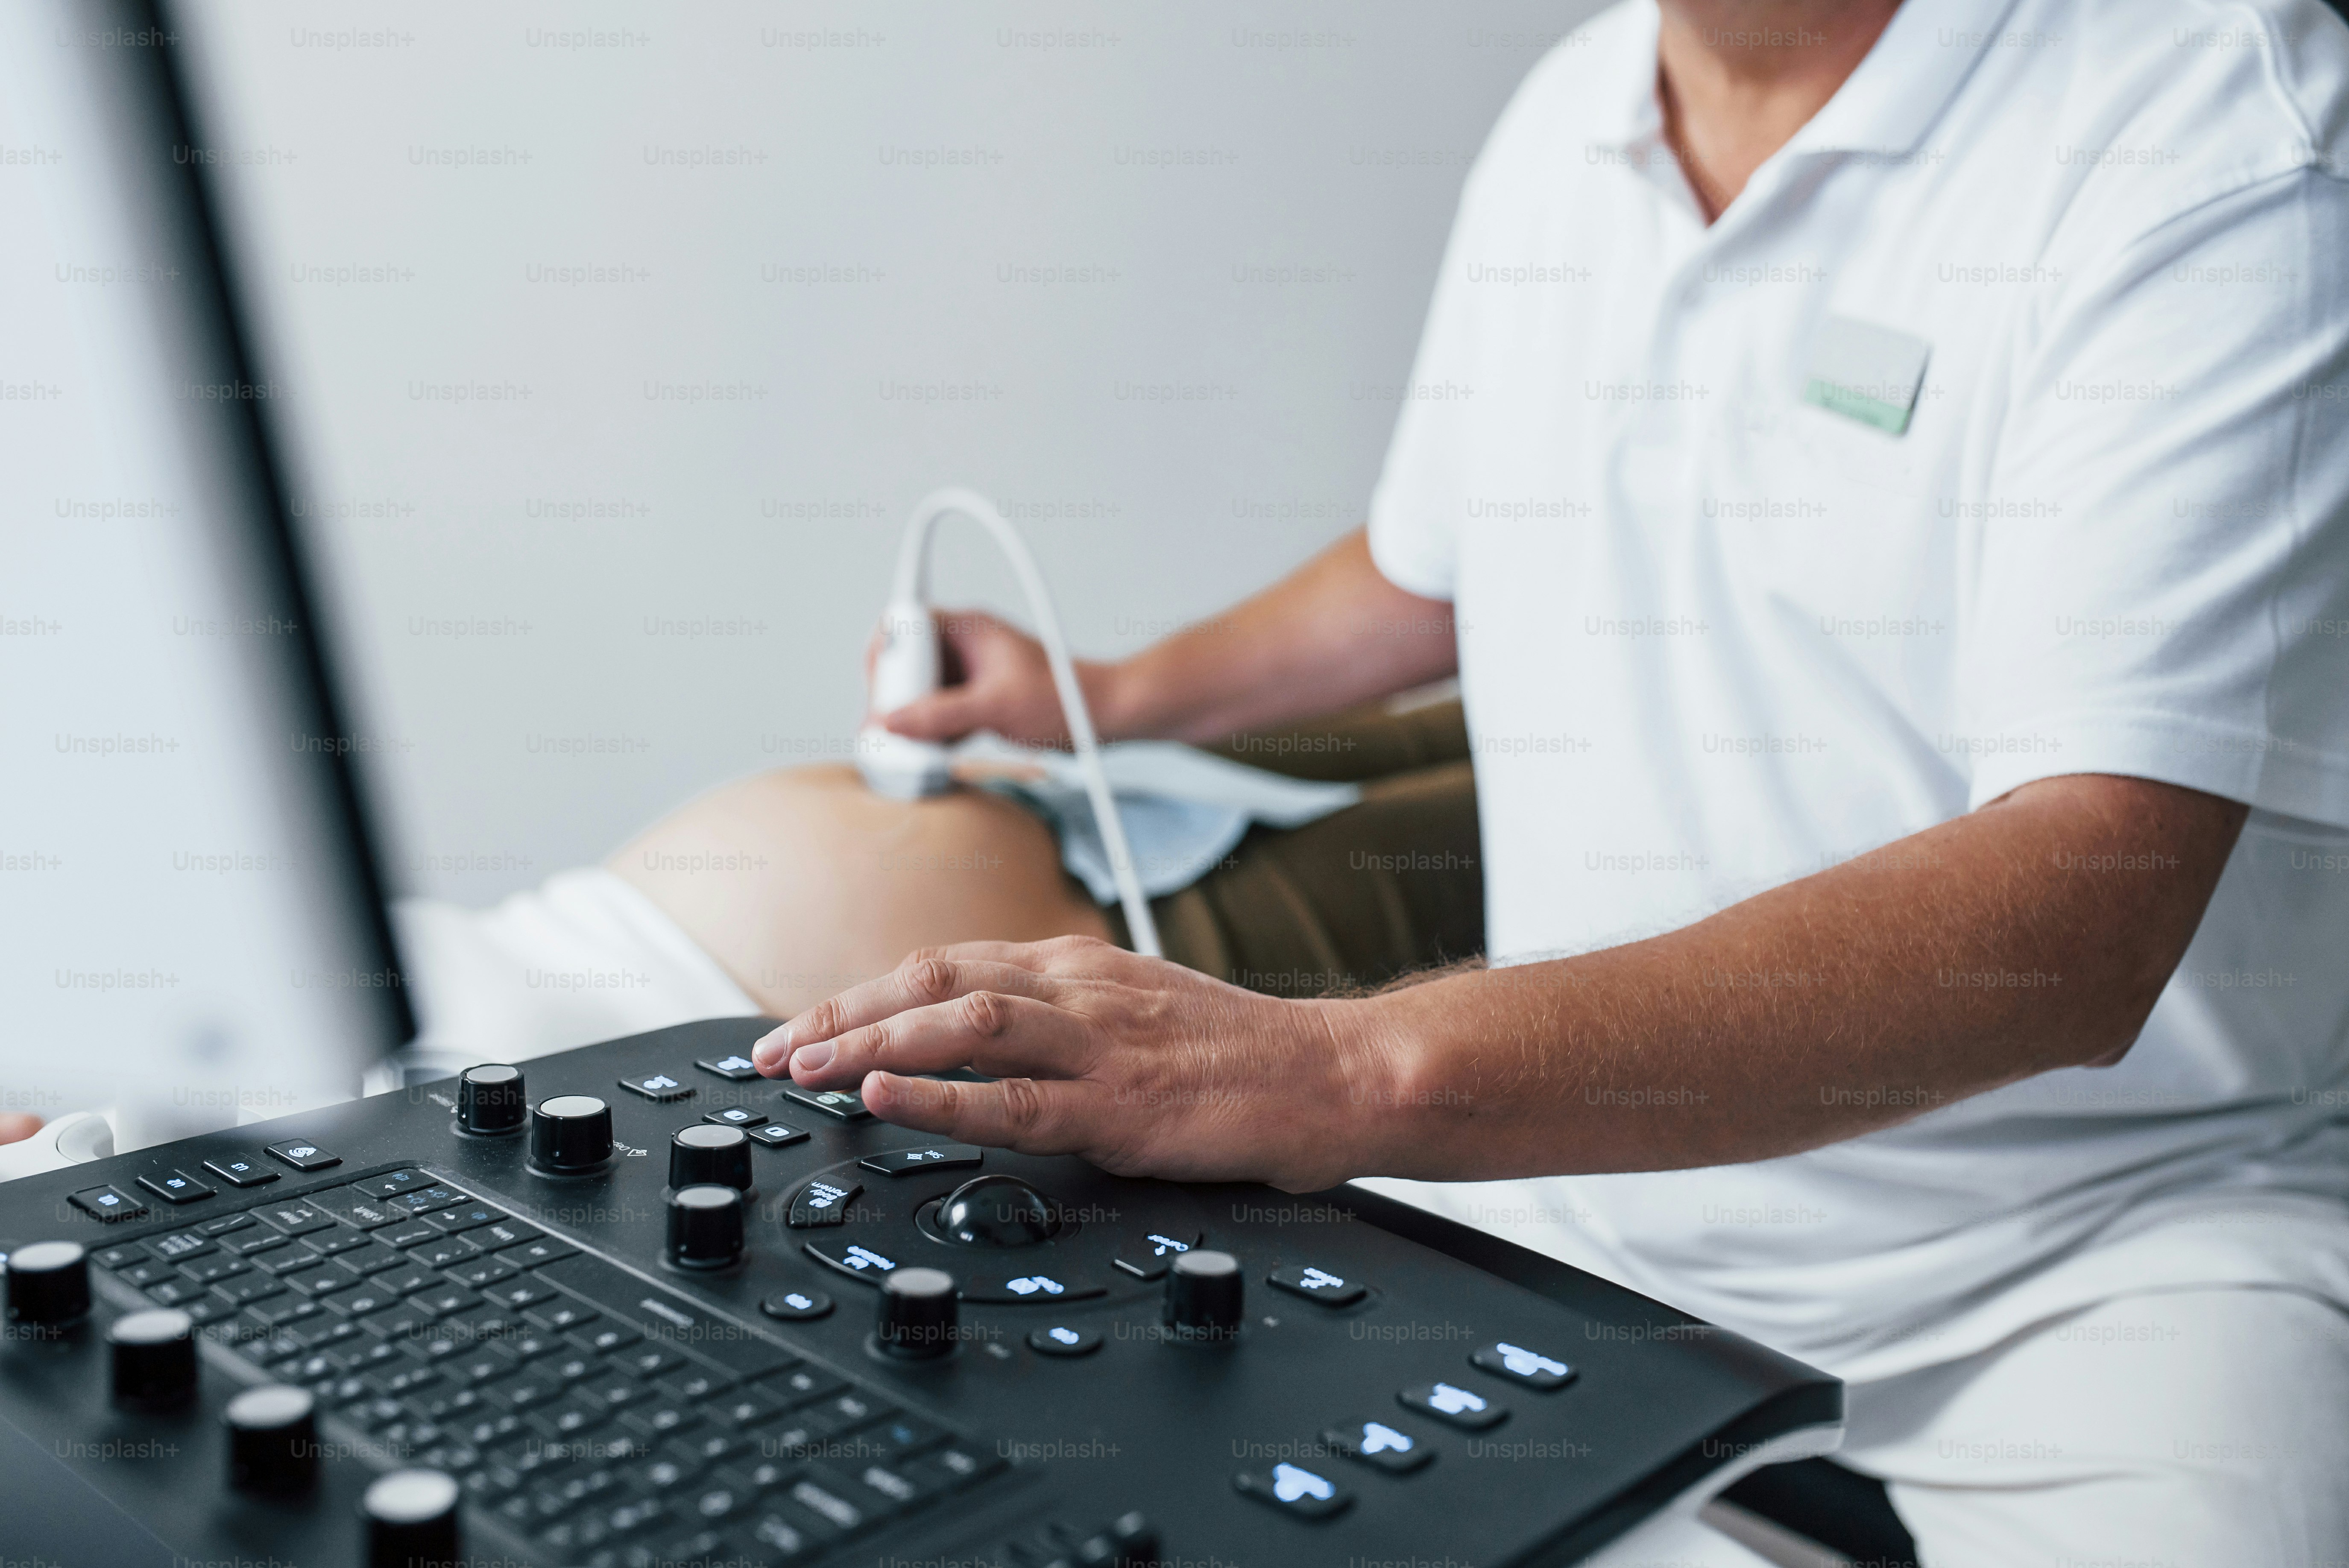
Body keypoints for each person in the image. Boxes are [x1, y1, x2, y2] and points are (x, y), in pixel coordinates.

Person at [656, 0, 2349, 1563]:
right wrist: (1114, 694)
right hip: (1574, 1187)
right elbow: (1434, 563)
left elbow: (2075, 920)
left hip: (2091, 1258)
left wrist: (1338, 1070)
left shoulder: (2220, 139)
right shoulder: (1572, 117)